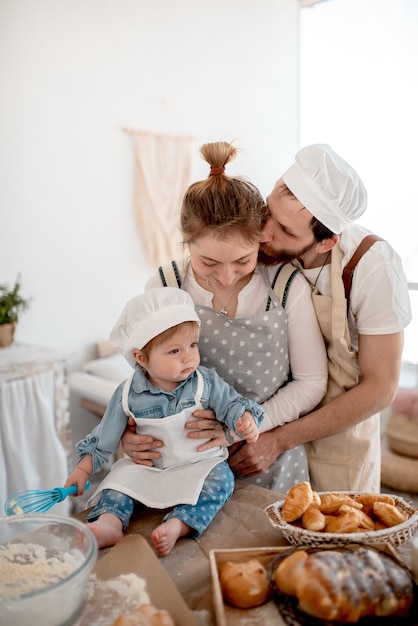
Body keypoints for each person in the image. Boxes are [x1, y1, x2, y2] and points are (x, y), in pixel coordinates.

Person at [192, 143, 411, 493]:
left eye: (286, 232)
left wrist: (279, 440)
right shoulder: (262, 249)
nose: (263, 235)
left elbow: (381, 389)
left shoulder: (372, 267)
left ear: (326, 243)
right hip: (263, 430)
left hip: (336, 448)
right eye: (268, 215)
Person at [120, 141, 328, 493]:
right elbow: (147, 380)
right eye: (208, 263)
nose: (227, 277)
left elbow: (311, 383)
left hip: (266, 461)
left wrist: (244, 428)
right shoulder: (164, 285)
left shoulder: (285, 287)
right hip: (182, 462)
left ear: (261, 239)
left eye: (243, 261)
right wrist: (129, 433)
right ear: (186, 244)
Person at [65, 288, 264, 556]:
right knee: (116, 483)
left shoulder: (205, 381)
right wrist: (82, 471)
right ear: (141, 358)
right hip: (149, 468)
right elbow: (104, 438)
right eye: (174, 351)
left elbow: (232, 404)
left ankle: (178, 523)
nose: (188, 357)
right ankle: (109, 523)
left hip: (198, 464)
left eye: (193, 345)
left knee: (221, 481)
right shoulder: (126, 394)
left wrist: (244, 419)